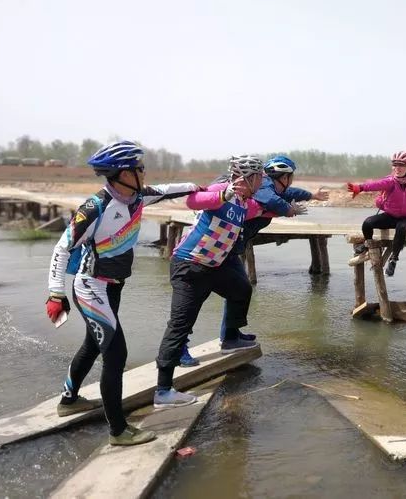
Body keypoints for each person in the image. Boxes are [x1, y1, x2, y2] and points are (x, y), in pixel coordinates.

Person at [46, 140, 199, 446]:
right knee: (116, 355)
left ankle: (69, 400)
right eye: (138, 168)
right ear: (121, 174)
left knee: (93, 345)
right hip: (91, 286)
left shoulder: (138, 197)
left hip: (112, 288)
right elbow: (62, 248)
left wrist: (197, 187)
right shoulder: (95, 208)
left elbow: (169, 189)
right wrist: (55, 294)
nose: (144, 172)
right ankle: (118, 430)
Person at [154, 155, 264, 409]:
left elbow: (262, 209)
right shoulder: (222, 191)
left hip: (213, 267)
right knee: (180, 325)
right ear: (249, 177)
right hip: (189, 266)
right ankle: (163, 390)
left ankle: (231, 339)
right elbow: (192, 200)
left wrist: (289, 207)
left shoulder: (245, 203)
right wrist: (222, 195)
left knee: (241, 289)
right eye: (260, 177)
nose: (262, 181)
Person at [215, 155, 329, 343]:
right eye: (290, 177)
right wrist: (288, 210)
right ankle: (227, 337)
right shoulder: (265, 186)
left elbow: (291, 193)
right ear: (284, 178)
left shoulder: (274, 187)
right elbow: (271, 200)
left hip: (232, 246)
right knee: (230, 291)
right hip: (222, 246)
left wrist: (312, 196)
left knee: (240, 290)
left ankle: (230, 334)